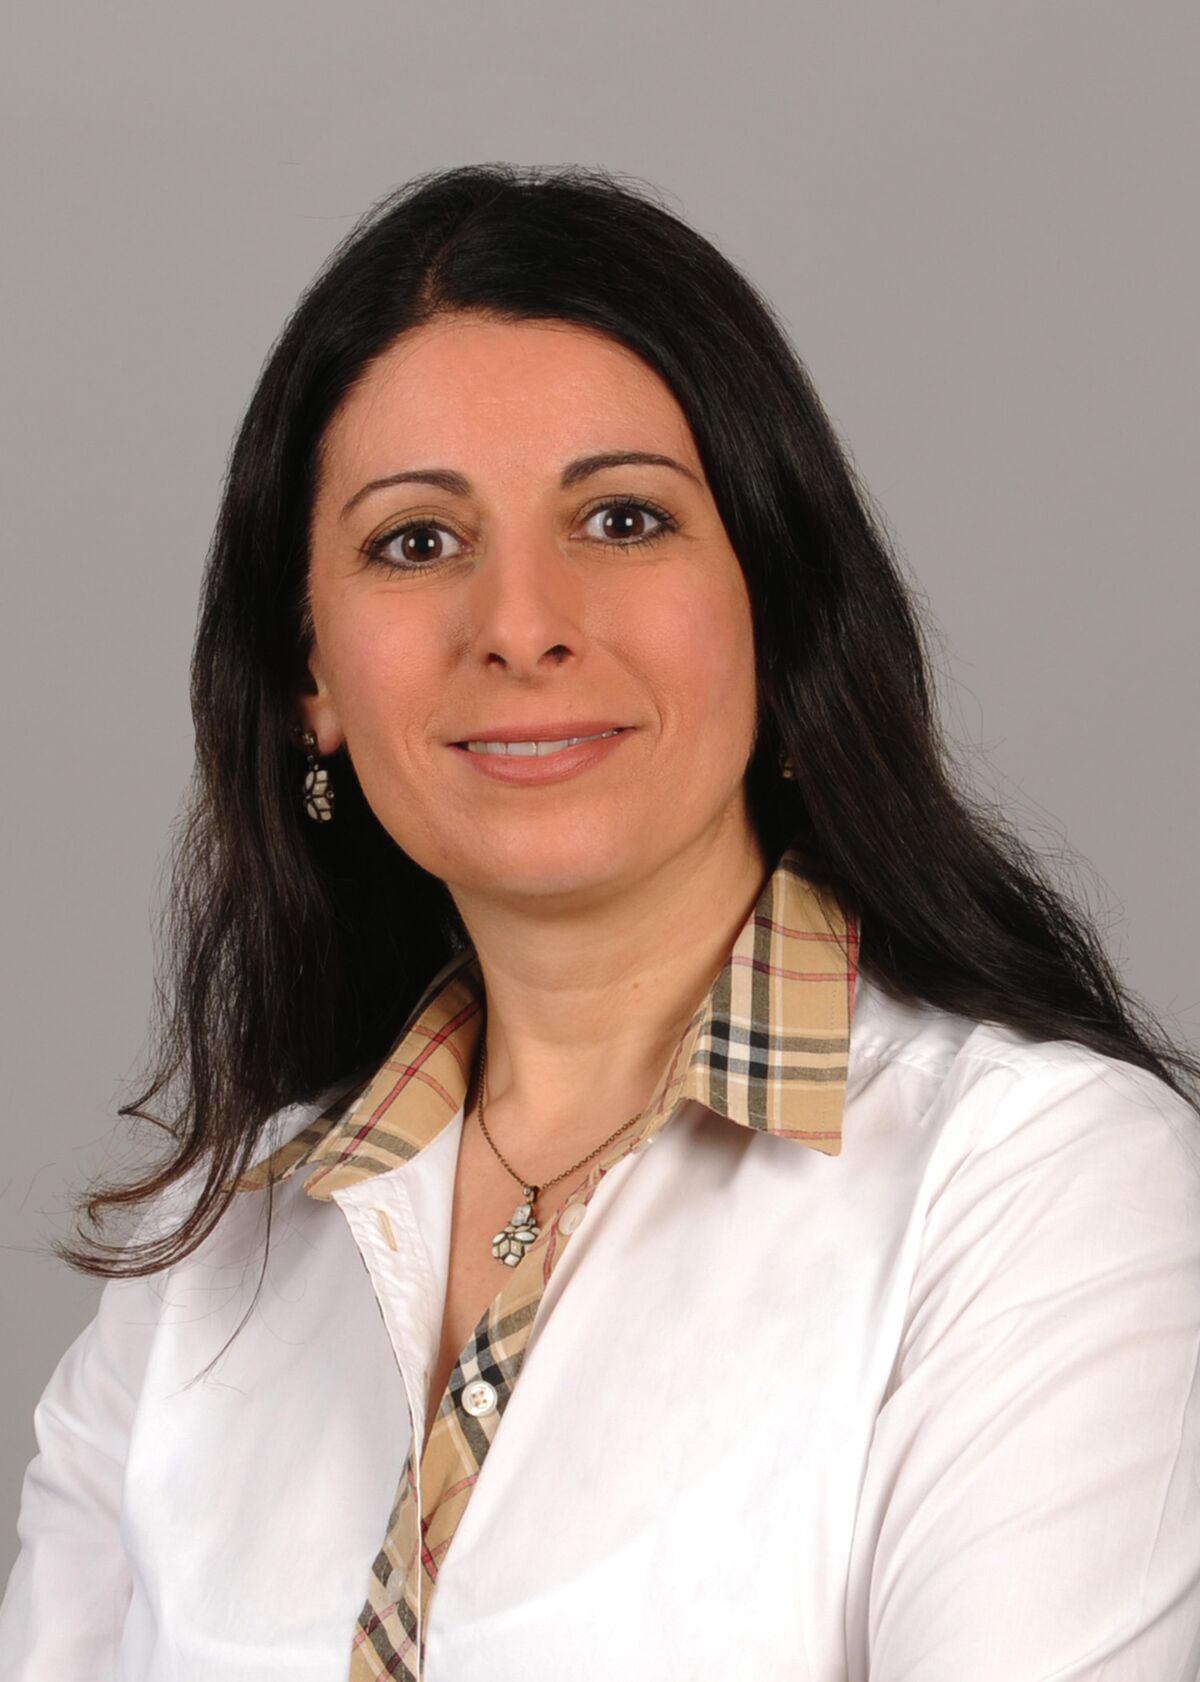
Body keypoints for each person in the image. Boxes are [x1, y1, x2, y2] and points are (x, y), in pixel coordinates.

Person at [1, 162, 1197, 1682]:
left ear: (777, 610)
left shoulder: (1037, 1185)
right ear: (309, 677)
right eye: (415, 541)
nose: (520, 625)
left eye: (622, 519)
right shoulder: (203, 1261)